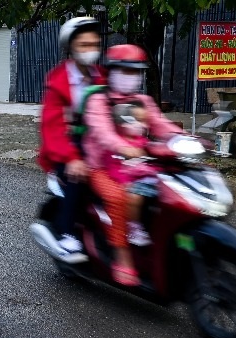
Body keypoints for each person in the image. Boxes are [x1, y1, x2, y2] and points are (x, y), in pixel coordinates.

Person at [81, 44, 182, 286]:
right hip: (102, 167)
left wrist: (186, 139)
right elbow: (102, 132)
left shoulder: (142, 101)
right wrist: (123, 146)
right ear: (112, 72)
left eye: (136, 72)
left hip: (136, 164)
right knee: (118, 198)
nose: (131, 77)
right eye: (125, 71)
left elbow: (161, 125)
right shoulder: (99, 101)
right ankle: (122, 257)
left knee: (171, 189)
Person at [34, 16, 105, 263]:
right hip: (66, 148)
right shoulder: (59, 82)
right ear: (72, 47)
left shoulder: (102, 77)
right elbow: (52, 128)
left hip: (101, 145)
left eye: (94, 44)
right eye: (84, 45)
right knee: (78, 178)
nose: (90, 50)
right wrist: (71, 158)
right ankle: (66, 235)